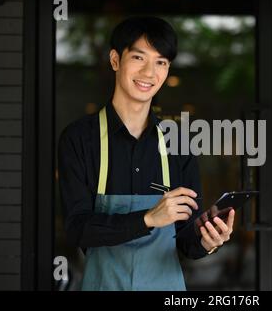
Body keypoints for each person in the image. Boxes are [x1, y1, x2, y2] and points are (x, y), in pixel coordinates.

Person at [58, 16, 235, 291]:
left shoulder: (178, 143)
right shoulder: (80, 138)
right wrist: (149, 219)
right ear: (116, 60)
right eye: (139, 58)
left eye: (161, 62)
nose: (150, 72)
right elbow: (77, 228)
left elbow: (187, 241)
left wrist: (207, 241)